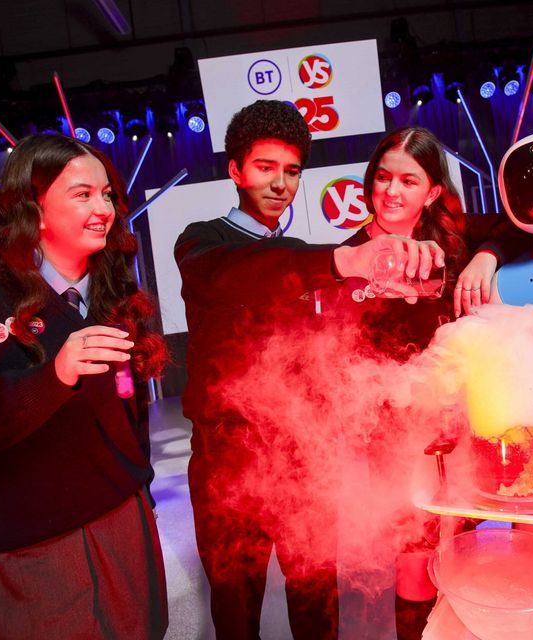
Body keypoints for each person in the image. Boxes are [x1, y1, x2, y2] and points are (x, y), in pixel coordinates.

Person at [174, 100, 446, 640]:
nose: (279, 184)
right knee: (234, 612)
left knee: (318, 605)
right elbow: (241, 276)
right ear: (235, 170)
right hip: (228, 463)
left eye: (292, 171)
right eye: (264, 167)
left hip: (303, 462)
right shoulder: (203, 244)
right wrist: (342, 262)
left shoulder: (301, 252)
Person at [0, 134, 169, 639]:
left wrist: (142, 493)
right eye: (82, 194)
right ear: (34, 208)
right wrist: (55, 376)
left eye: (108, 194)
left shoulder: (115, 295)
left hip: (122, 521)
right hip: (29, 545)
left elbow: (130, 414)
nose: (104, 208)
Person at [318, 126, 533, 639]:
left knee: (466, 554)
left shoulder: (455, 243)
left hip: (461, 428)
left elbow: (522, 227)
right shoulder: (350, 255)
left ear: (433, 191)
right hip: (391, 439)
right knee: (412, 563)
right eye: (383, 178)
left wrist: (488, 255)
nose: (391, 191)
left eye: (409, 181)